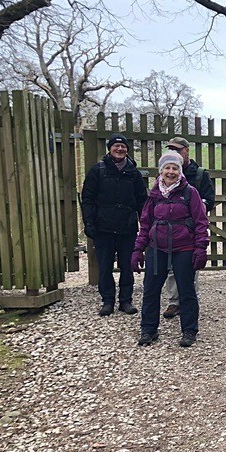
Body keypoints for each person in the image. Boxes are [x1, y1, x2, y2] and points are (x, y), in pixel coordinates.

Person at [131, 152, 210, 348]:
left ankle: (189, 330)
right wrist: (138, 249)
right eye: (167, 168)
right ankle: (148, 329)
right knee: (150, 289)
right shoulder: (154, 194)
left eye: (175, 168)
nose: (171, 172)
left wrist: (201, 248)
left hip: (184, 247)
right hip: (157, 247)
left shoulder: (190, 192)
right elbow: (146, 222)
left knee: (186, 289)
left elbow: (201, 221)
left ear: (180, 171)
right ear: (161, 171)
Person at [80, 133, 148, 317]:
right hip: (104, 227)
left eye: (123, 147)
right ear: (110, 149)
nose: (120, 149)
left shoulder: (134, 173)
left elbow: (142, 201)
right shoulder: (98, 170)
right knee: (105, 265)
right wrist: (89, 221)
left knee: (128, 265)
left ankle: (126, 300)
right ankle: (107, 300)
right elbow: (87, 198)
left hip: (127, 227)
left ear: (127, 150)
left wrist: (145, 225)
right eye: (116, 146)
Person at [162, 136, 216, 320]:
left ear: (187, 151)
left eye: (178, 149)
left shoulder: (200, 174)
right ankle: (174, 301)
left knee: (189, 266)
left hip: (191, 229)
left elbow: (210, 199)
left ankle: (188, 301)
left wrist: (195, 208)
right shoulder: (165, 173)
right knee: (170, 266)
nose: (175, 153)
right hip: (169, 229)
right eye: (171, 149)